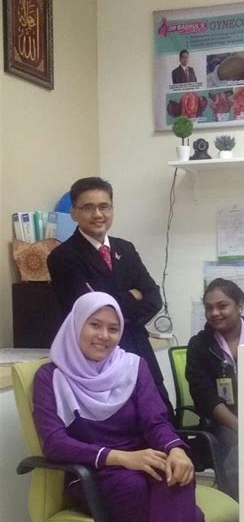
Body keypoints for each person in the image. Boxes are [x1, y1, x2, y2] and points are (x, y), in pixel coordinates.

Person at [33, 292, 211, 522]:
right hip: (93, 476)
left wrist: (176, 450)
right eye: (95, 324)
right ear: (76, 324)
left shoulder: (133, 366)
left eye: (113, 328)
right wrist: (121, 458)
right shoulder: (50, 377)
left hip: (144, 464)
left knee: (179, 476)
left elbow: (155, 422)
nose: (104, 335)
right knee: (192, 519)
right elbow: (54, 443)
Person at [47, 177, 174, 422]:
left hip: (138, 350)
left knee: (161, 417)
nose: (98, 214)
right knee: (117, 425)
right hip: (97, 359)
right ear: (74, 213)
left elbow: (153, 296)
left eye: (104, 206)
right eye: (88, 207)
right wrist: (132, 296)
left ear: (112, 209)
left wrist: (116, 304)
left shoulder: (125, 249)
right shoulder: (62, 257)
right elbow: (88, 311)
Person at [186, 279, 244, 500]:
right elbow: (204, 396)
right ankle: (241, 510)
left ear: (240, 305)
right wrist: (240, 426)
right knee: (241, 451)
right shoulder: (199, 345)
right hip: (223, 421)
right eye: (209, 308)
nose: (215, 313)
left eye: (222, 306)